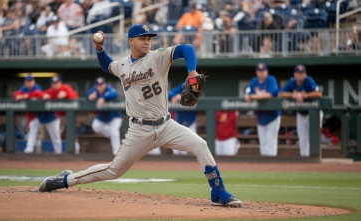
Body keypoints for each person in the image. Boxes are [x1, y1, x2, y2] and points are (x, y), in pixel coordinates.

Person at [38, 24, 242, 208]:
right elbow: (107, 65)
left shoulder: (157, 57)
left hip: (166, 125)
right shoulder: (123, 65)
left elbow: (186, 49)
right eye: (142, 38)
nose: (147, 42)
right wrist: (100, 49)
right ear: (131, 41)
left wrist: (191, 72)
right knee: (114, 171)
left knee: (200, 145)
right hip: (139, 129)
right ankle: (67, 179)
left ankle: (218, 191)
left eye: (149, 38)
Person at [279, 64, 323, 157]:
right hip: (301, 113)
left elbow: (318, 94)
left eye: (303, 73)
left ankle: (315, 158)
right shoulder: (292, 82)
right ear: (295, 74)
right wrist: (293, 95)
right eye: (299, 73)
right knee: (302, 138)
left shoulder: (309, 80)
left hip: (314, 112)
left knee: (313, 137)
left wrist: (305, 95)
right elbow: (281, 94)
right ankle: (305, 160)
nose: (301, 75)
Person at [13, 74, 62, 154]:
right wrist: (24, 95)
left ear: (34, 81)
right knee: (33, 125)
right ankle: (29, 150)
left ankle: (58, 153)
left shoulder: (37, 87)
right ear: (25, 82)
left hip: (51, 117)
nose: (29, 83)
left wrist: (25, 96)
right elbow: (15, 94)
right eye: (27, 81)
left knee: (55, 135)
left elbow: (38, 94)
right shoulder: (24, 89)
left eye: (31, 81)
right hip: (41, 117)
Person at [244, 62, 281, 157]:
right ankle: (265, 167)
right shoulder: (254, 81)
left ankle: (272, 165)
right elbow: (247, 96)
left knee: (271, 143)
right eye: (260, 71)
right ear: (257, 72)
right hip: (260, 117)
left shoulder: (271, 80)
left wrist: (254, 96)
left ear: (267, 71)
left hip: (273, 116)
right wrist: (254, 96)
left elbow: (269, 94)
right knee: (263, 144)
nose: (262, 73)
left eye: (264, 70)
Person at [41, 76, 80, 154]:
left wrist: (66, 94)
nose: (55, 85)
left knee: (71, 134)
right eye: (53, 83)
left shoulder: (66, 88)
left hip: (70, 116)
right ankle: (58, 153)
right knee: (58, 135)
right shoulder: (51, 91)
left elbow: (75, 96)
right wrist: (44, 96)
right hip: (58, 116)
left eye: (57, 83)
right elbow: (43, 94)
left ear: (60, 83)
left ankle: (76, 153)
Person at [85, 76, 122, 156]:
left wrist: (104, 98)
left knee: (114, 132)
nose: (100, 87)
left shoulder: (109, 88)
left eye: (101, 85)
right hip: (102, 117)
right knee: (95, 127)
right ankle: (111, 134)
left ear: (105, 84)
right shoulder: (95, 90)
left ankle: (117, 153)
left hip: (114, 116)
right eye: (98, 85)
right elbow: (87, 94)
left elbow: (114, 93)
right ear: (96, 86)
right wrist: (89, 97)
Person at [168, 82, 197, 155]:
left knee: (192, 148)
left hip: (191, 123)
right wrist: (174, 97)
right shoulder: (183, 86)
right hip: (179, 122)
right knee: (176, 150)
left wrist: (182, 96)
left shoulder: (197, 87)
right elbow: (170, 94)